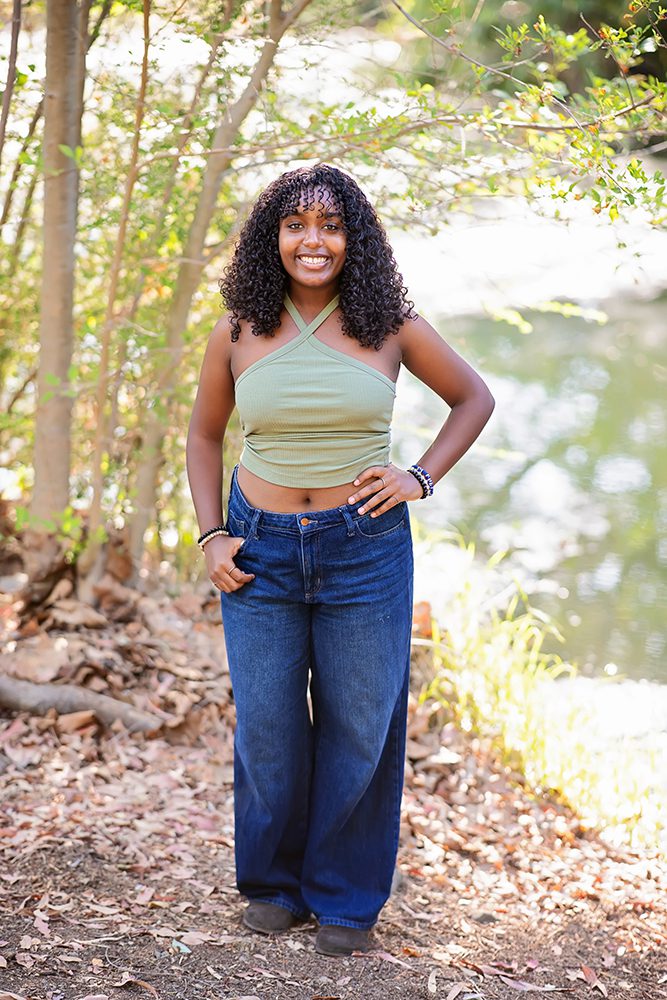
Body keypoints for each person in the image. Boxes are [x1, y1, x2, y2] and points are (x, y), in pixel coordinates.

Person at [186, 163, 494, 957]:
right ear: (273, 238)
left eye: (329, 225)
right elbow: (203, 436)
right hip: (259, 552)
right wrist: (211, 534)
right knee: (269, 726)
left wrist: (417, 476)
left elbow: (474, 397)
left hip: (364, 548)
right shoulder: (237, 328)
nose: (312, 241)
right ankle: (273, 886)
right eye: (296, 225)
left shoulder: (390, 321)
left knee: (362, 725)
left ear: (352, 238)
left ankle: (346, 898)